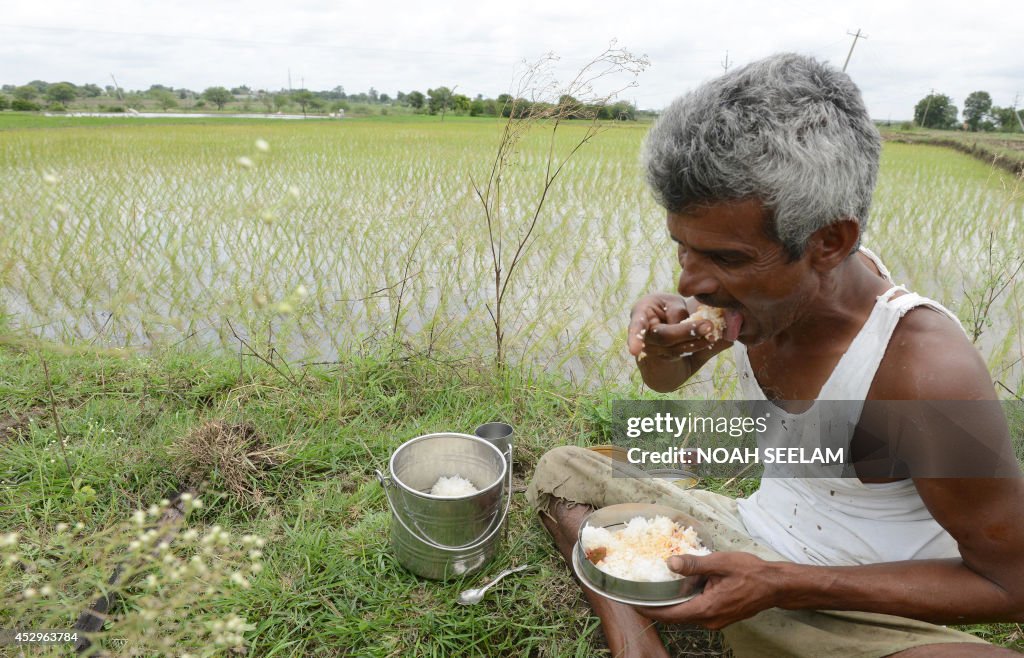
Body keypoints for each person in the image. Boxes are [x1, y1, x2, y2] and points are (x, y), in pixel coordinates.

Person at [526, 53, 1024, 657]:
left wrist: (783, 586)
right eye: (683, 248)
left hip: (855, 600)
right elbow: (662, 380)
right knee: (563, 468)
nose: (690, 284)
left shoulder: (923, 372)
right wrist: (659, 345)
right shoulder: (762, 292)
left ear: (828, 242)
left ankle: (706, 607)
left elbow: (1010, 582)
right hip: (750, 535)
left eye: (724, 258)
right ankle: (638, 635)